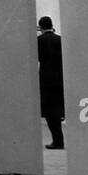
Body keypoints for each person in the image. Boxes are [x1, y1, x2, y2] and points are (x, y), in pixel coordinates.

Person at [37, 16, 64, 150]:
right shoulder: (60, 39)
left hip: (46, 81)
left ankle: (57, 140)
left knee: (49, 113)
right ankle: (59, 139)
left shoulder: (39, 41)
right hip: (60, 80)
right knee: (58, 111)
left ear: (40, 27)